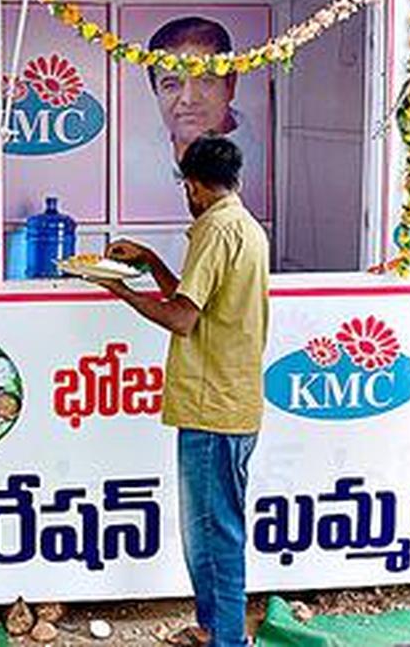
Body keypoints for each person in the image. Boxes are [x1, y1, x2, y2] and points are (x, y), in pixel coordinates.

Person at [86, 133, 268, 647]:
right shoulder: (242, 224)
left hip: (213, 405)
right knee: (210, 532)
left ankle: (227, 637)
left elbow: (182, 318)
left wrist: (119, 288)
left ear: (192, 186)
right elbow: (196, 298)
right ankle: (216, 629)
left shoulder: (213, 229)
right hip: (232, 398)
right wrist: (147, 260)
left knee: (215, 534)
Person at [143, 16, 264, 219]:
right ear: (155, 90)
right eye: (171, 85)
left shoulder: (259, 158)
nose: (189, 99)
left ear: (231, 84)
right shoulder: (136, 159)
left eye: (206, 81)